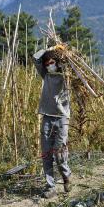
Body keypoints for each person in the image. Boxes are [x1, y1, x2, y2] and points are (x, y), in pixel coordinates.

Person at [33, 48, 71, 198]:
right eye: (47, 63)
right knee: (46, 153)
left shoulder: (66, 75)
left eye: (52, 62)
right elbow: (35, 59)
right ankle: (50, 186)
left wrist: (61, 53)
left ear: (58, 62)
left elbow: (69, 63)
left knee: (59, 152)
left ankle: (66, 176)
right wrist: (48, 50)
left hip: (62, 118)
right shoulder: (46, 75)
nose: (49, 65)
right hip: (47, 117)